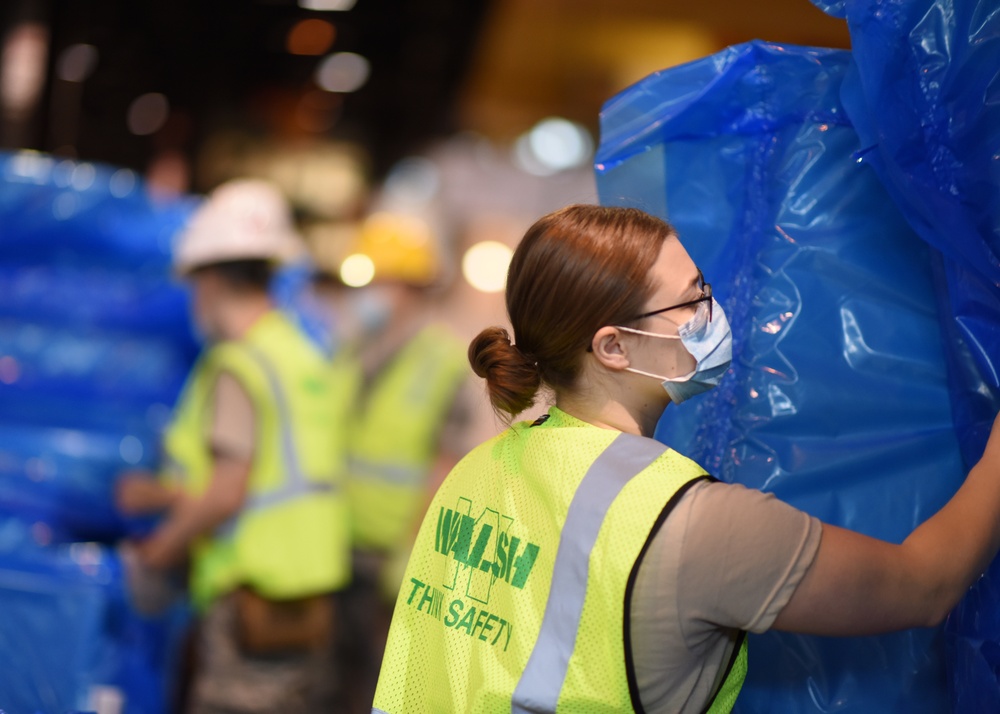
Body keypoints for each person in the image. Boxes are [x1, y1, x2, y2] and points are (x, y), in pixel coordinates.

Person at [371, 204, 1000, 714]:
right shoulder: (697, 523)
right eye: (691, 300)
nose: (713, 315)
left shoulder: (475, 471)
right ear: (614, 346)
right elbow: (926, 584)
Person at [115, 178, 353, 714]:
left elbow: (229, 490)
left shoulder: (238, 365)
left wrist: (158, 552)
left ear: (214, 278)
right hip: (310, 593)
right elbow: (282, 472)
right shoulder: (302, 353)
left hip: (251, 596)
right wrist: (160, 495)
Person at [313, 210, 481, 713]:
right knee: (327, 683)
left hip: (392, 557)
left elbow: (445, 464)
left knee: (376, 684)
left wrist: (414, 552)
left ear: (414, 288)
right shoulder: (348, 347)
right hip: (331, 542)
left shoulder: (444, 359)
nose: (372, 293)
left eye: (384, 281)